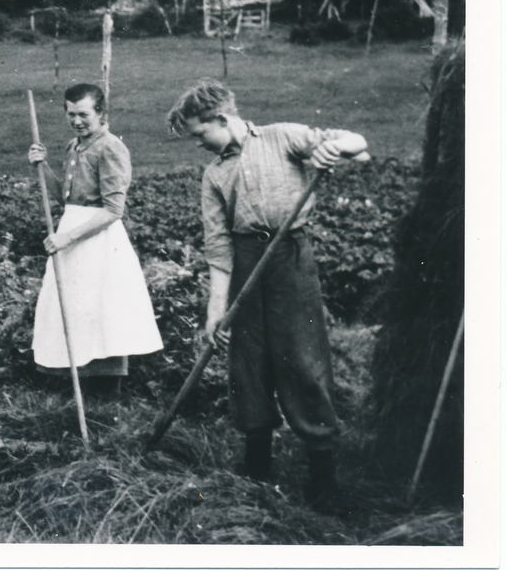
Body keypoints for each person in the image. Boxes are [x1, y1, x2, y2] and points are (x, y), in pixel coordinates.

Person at [166, 79, 367, 513]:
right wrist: (215, 311)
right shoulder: (215, 174)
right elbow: (218, 246)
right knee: (248, 362)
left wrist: (337, 148)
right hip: (243, 264)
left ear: (221, 118)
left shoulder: (283, 136)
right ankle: (257, 466)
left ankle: (323, 474)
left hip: (290, 259)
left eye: (201, 134)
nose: (199, 144)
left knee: (301, 357)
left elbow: (357, 142)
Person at [26, 83, 163, 393]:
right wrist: (42, 164)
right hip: (71, 234)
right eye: (71, 114)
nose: (77, 121)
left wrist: (68, 238)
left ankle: (107, 393)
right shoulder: (73, 147)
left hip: (98, 239)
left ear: (101, 113)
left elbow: (113, 210)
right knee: (73, 309)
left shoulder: (111, 147)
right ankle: (70, 388)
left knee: (100, 309)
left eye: (84, 114)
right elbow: (66, 199)